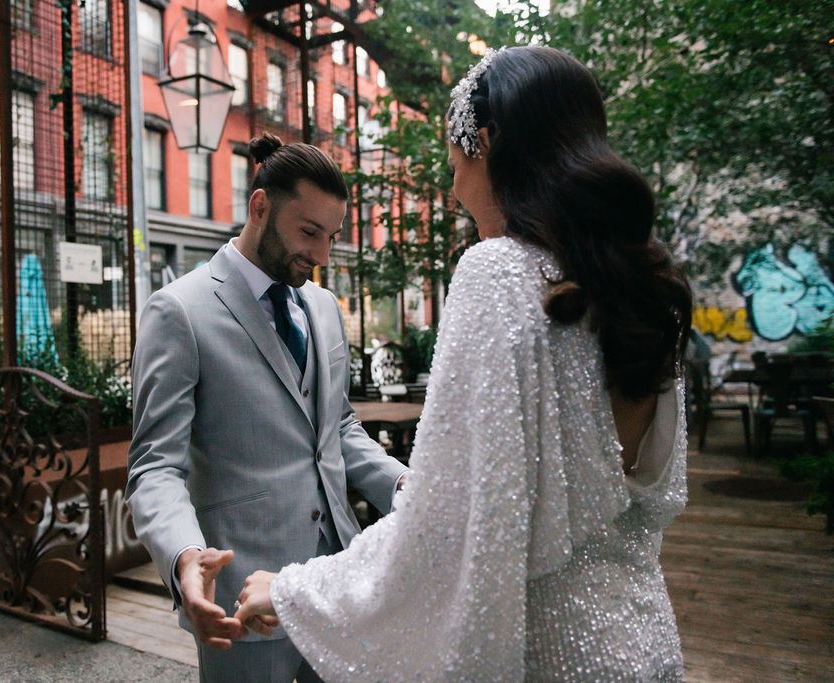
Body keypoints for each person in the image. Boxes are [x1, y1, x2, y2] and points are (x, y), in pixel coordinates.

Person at [234, 45, 693, 681]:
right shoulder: (639, 288)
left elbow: (443, 531)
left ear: (483, 141)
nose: (450, 186)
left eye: (453, 162)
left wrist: (292, 593)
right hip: (643, 640)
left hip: (547, 654)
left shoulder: (498, 274)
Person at [125, 133, 409, 682]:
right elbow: (155, 467)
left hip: (336, 583)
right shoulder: (178, 311)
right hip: (241, 600)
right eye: (309, 233)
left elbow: (338, 427)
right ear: (259, 207)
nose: (322, 256)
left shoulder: (324, 307)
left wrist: (403, 489)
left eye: (331, 237)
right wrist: (185, 556)